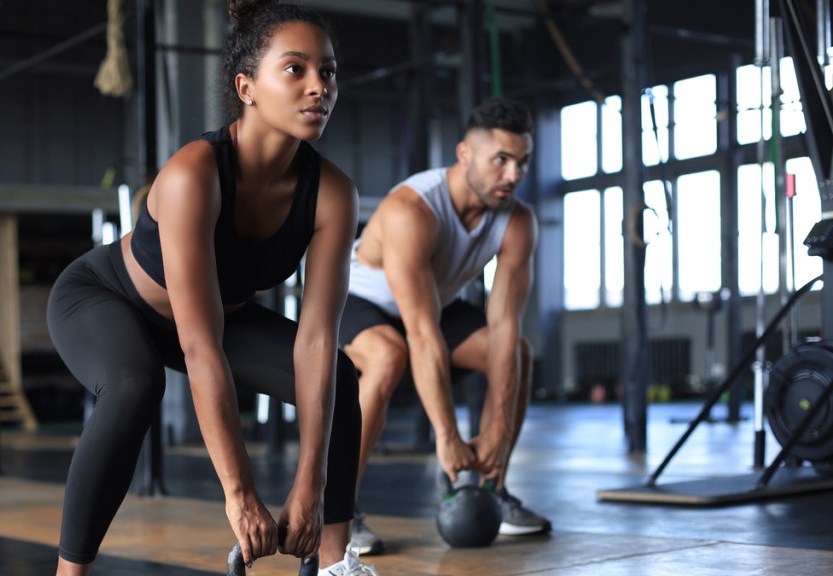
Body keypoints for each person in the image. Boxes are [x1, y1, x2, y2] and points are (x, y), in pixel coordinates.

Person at [47, 2, 379, 574]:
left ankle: (334, 563)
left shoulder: (332, 193)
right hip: (107, 298)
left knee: (341, 375)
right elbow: (201, 347)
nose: (317, 86)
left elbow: (317, 340)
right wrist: (240, 490)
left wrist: (311, 485)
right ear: (247, 87)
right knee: (133, 385)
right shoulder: (193, 175)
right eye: (295, 69)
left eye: (327, 71)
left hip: (220, 318)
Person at [338, 97, 550, 554]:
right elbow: (422, 334)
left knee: (519, 352)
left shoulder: (517, 221)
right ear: (465, 155)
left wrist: (495, 434)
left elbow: (506, 329)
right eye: (501, 161)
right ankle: (339, 510)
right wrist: (447, 437)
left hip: (436, 303)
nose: (513, 175)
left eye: (522, 162)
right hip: (361, 300)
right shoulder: (411, 211)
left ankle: (493, 488)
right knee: (388, 354)